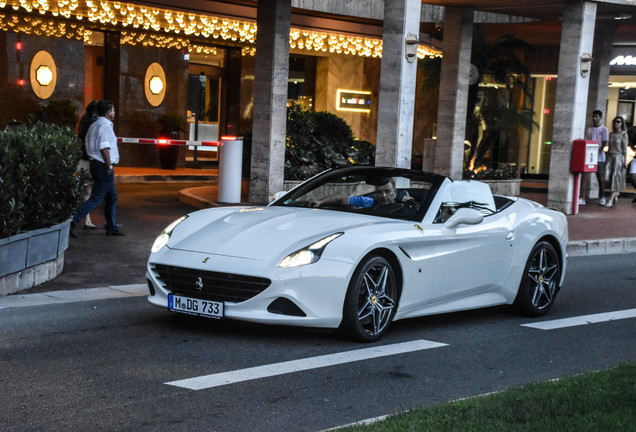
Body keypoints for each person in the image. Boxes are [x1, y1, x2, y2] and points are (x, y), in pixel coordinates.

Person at [70, 100, 125, 237]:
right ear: (108, 113)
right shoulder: (105, 126)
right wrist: (109, 165)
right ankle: (73, 221)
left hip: (94, 163)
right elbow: (104, 147)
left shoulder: (93, 125)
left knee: (112, 196)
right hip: (103, 165)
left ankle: (111, 227)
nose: (114, 113)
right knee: (96, 198)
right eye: (113, 110)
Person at [310, 177, 414, 208]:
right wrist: (319, 202)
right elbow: (341, 198)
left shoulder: (405, 205)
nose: (383, 195)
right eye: (379, 192)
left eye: (387, 191)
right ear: (375, 193)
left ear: (395, 192)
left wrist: (410, 204)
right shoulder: (368, 202)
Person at [77, 101, 98, 229]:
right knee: (88, 193)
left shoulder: (84, 121)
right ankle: (85, 219)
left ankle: (87, 219)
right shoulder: (93, 123)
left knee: (85, 193)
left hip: (82, 160)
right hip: (89, 161)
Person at [580, 110, 609, 205]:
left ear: (600, 118)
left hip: (599, 157)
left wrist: (597, 153)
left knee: (599, 176)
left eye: (596, 117)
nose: (594, 118)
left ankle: (602, 197)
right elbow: (586, 141)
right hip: (589, 156)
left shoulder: (604, 129)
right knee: (585, 176)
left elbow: (604, 143)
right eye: (593, 116)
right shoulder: (589, 129)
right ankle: (582, 197)